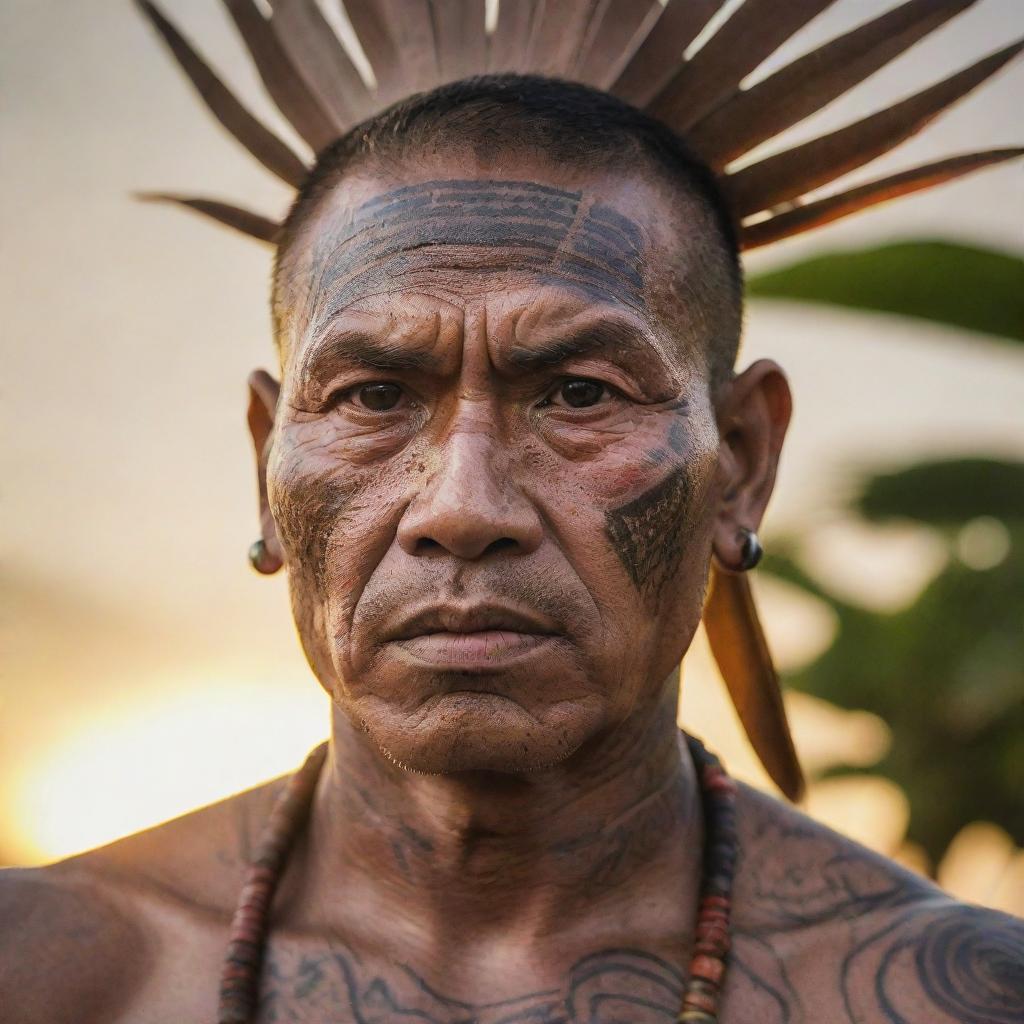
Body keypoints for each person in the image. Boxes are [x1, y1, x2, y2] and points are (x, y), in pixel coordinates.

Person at [3, 4, 1023, 1022]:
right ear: (264, 456)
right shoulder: (48, 970)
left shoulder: (965, 997)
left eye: (579, 392)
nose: (461, 506)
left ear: (742, 462)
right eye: (373, 395)